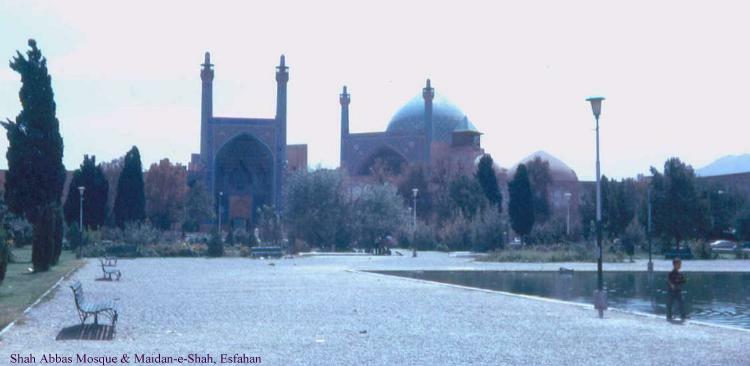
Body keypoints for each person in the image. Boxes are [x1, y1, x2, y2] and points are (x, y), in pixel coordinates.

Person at [666, 258, 687, 322]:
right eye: (679, 264)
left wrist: (683, 281)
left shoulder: (680, 274)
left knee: (681, 303)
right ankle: (669, 316)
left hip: (678, 291)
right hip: (671, 291)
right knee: (669, 304)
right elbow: (668, 281)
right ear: (674, 265)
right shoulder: (671, 273)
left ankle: (683, 316)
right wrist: (671, 285)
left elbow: (683, 281)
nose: (680, 266)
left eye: (680, 264)